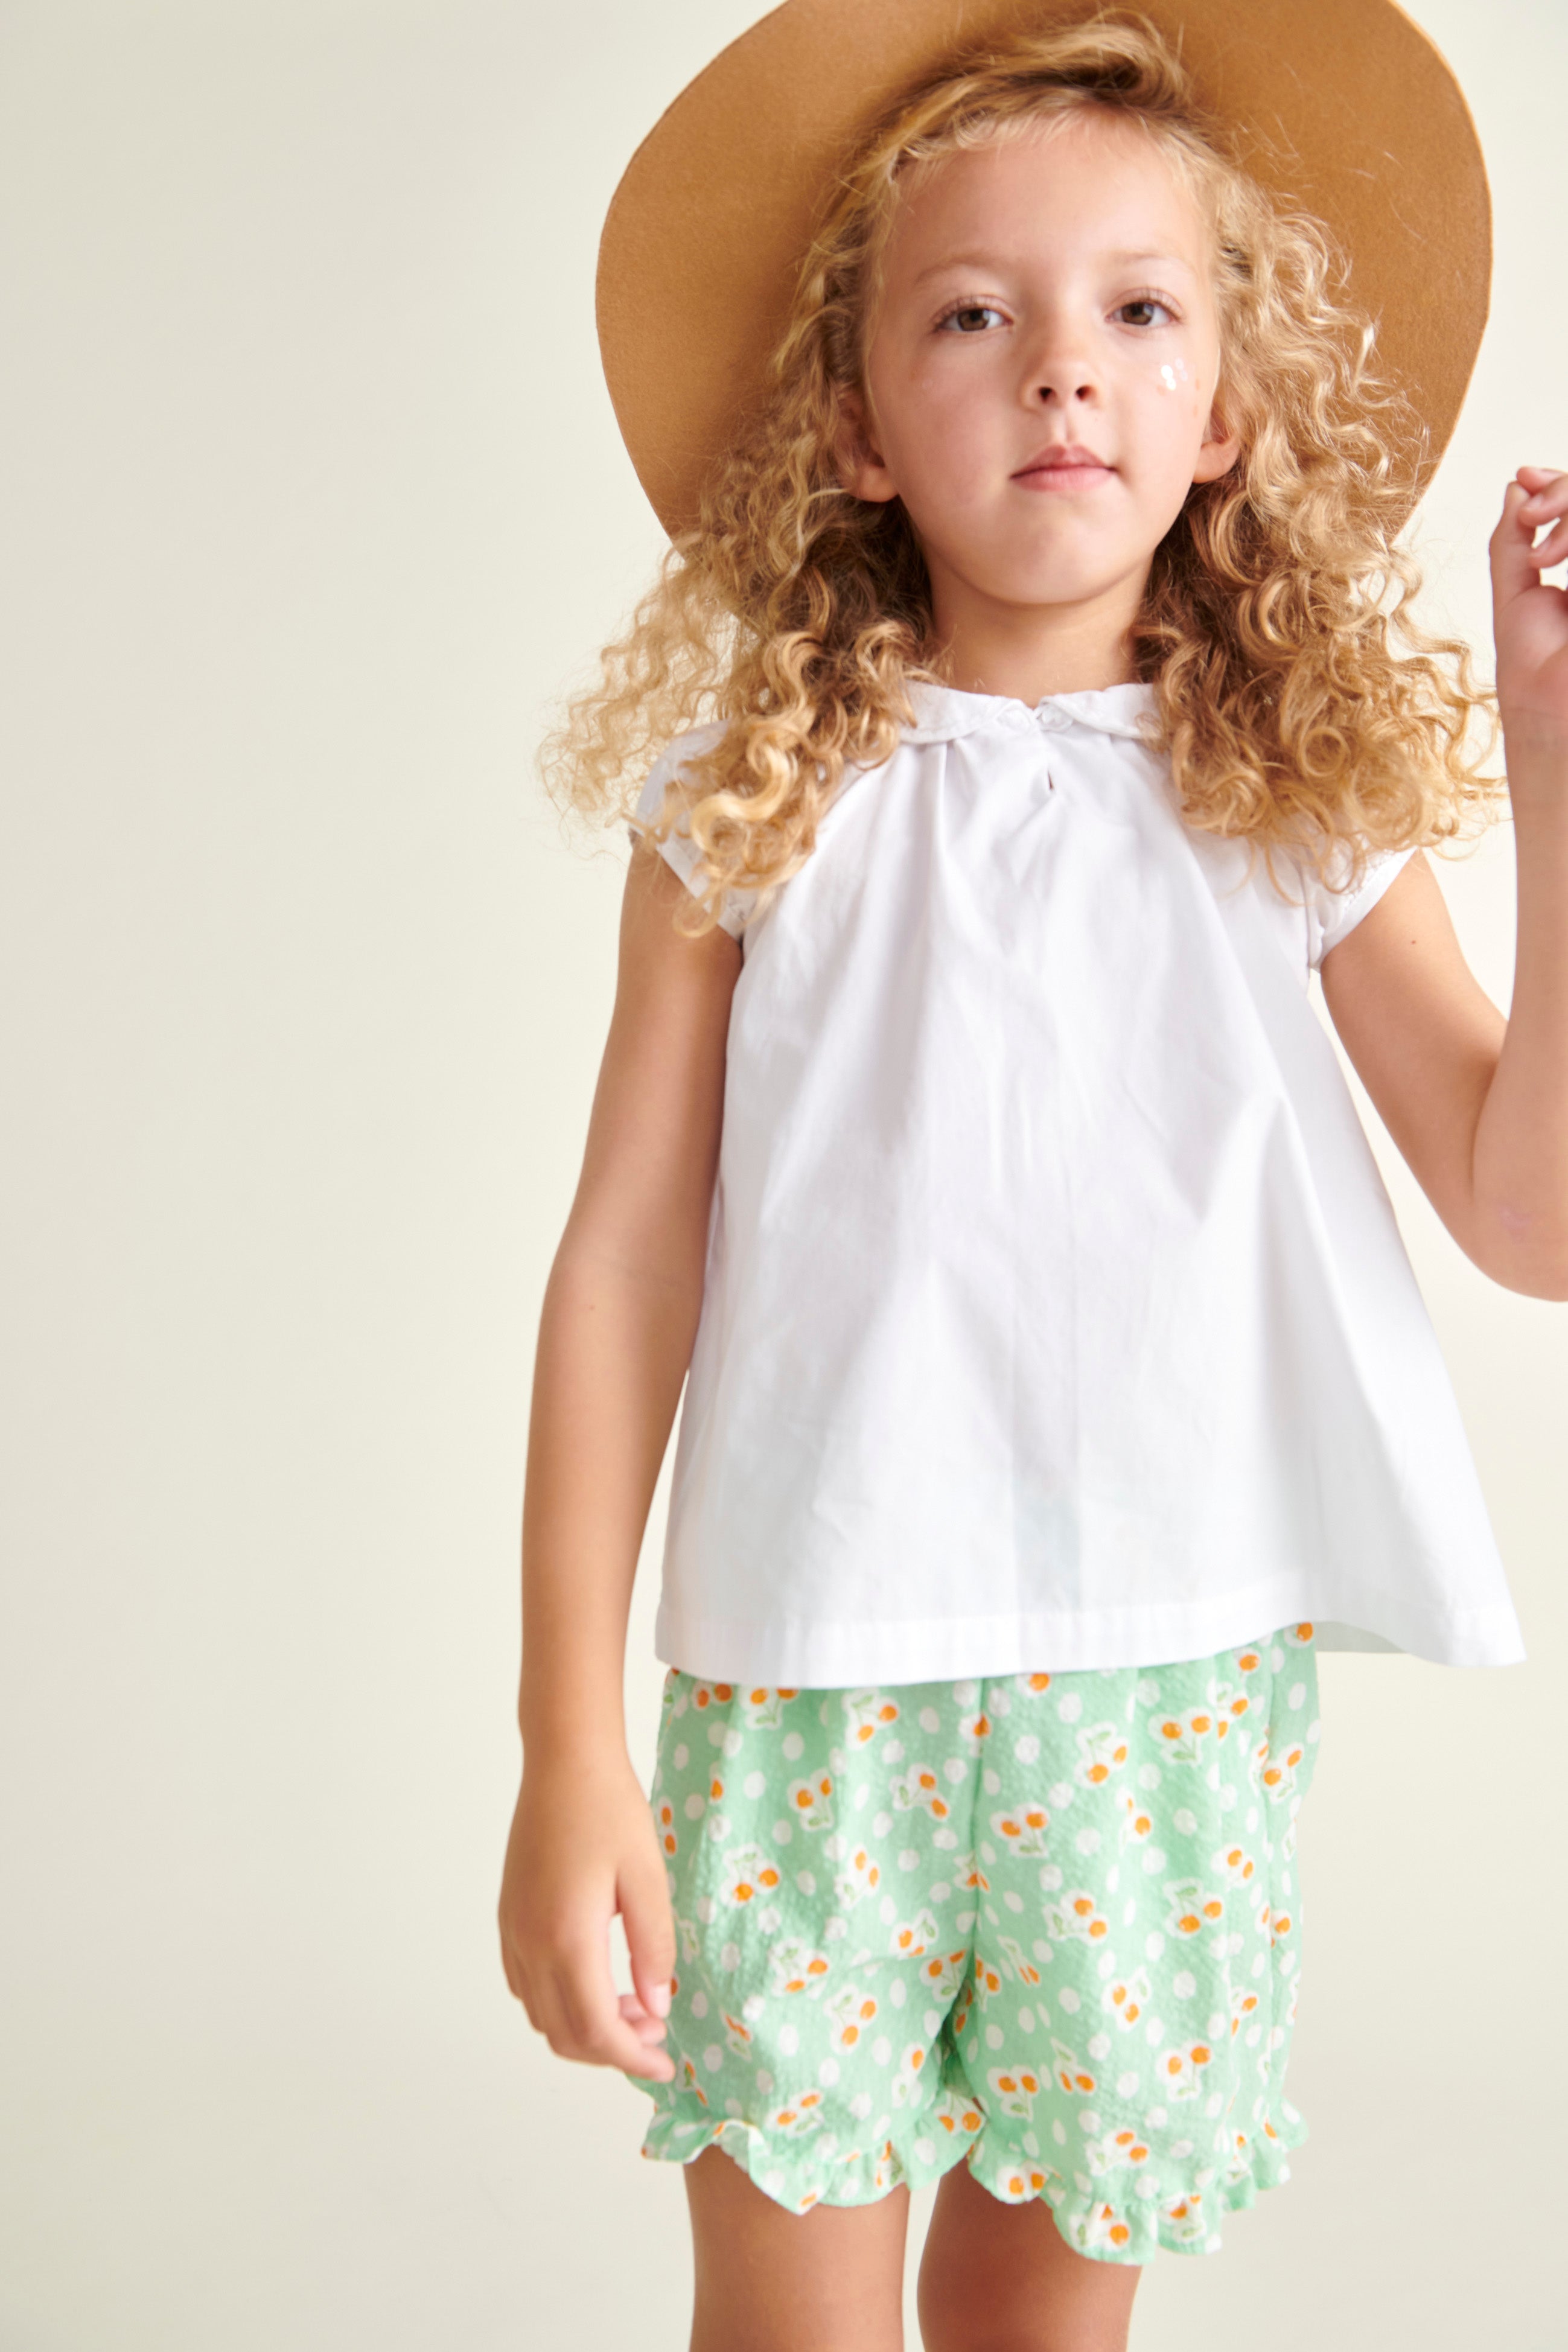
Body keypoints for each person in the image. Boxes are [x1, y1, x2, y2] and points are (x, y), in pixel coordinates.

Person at [499, 7, 1566, 2345]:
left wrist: (1553, 760)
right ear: (860, 431)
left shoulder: (1287, 810)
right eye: (971, 316)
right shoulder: (750, 804)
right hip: (802, 1692)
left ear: (1224, 418)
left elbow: (1529, 1213)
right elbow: (620, 1269)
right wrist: (568, 1745)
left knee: (1040, 2324)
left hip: (1157, 1691)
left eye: (1134, 312)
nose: (1058, 369)